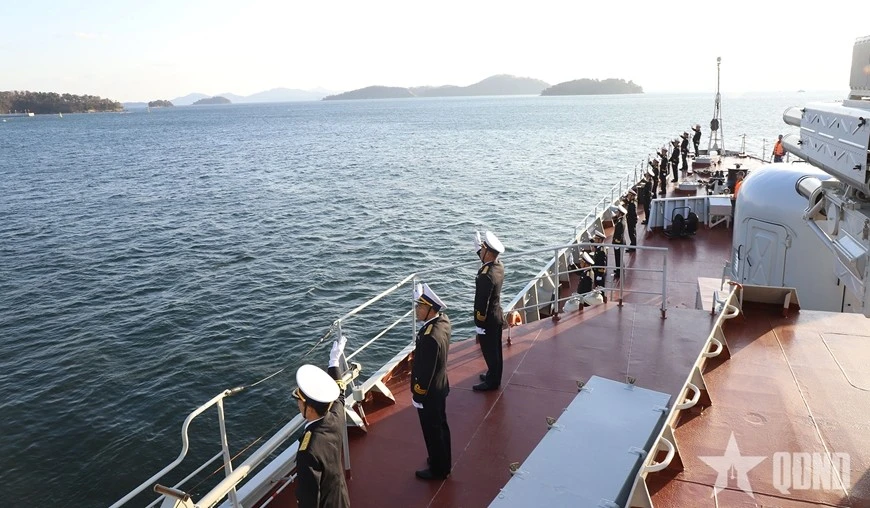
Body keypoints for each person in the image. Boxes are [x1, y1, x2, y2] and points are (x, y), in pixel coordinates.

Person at [294, 337, 351, 508]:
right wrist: (334, 362)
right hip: (340, 498)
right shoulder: (335, 417)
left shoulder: (308, 450)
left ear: (309, 408)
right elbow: (340, 395)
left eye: (299, 400)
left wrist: (333, 361)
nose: (297, 403)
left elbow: (309, 499)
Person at [411, 282, 452, 481]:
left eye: (420, 306)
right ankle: (443, 461)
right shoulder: (443, 322)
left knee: (432, 430)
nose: (416, 310)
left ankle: (438, 469)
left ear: (430, 309)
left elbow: (425, 371)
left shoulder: (429, 336)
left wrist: (418, 394)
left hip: (429, 393)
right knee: (441, 426)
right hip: (440, 386)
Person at [473, 231, 505, 392]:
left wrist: (479, 322)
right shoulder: (498, 266)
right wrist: (478, 249)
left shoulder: (486, 276)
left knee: (490, 352)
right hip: (497, 315)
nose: (481, 252)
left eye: (483, 249)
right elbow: (488, 259)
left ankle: (492, 382)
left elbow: (482, 303)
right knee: (496, 350)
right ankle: (495, 376)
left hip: (488, 320)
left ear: (488, 252)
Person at [611, 204, 627, 279]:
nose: (617, 213)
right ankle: (618, 270)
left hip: (619, 242)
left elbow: (619, 234)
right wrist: (614, 217)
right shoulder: (621, 219)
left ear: (620, 213)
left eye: (618, 212)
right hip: (619, 242)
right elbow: (616, 223)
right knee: (619, 257)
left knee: (619, 258)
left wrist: (616, 242)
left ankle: (619, 272)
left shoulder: (621, 222)